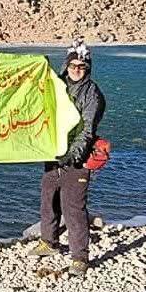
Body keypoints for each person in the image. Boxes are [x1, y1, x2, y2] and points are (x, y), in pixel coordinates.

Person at [28, 39, 106, 275]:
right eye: (73, 65)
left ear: (87, 68)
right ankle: (49, 242)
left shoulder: (92, 94)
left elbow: (87, 129)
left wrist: (74, 154)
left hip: (76, 158)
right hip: (54, 153)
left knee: (73, 208)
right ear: (66, 65)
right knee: (48, 200)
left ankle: (80, 257)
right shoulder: (58, 86)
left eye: (81, 66)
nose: (76, 69)